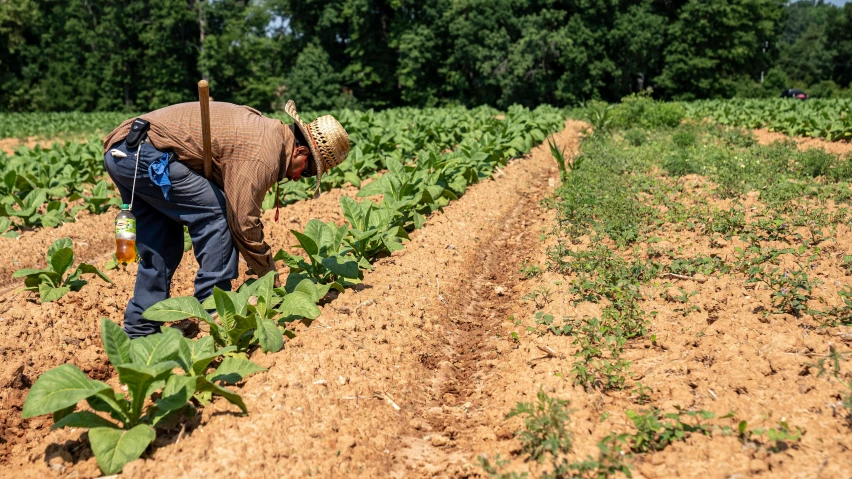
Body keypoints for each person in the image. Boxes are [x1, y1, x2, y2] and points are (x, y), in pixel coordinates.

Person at [102, 100, 349, 338]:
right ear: (300, 150)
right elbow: (243, 223)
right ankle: (213, 310)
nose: (298, 178)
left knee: (163, 243)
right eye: (307, 171)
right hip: (145, 154)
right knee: (219, 213)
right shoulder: (264, 155)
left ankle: (139, 331)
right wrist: (268, 275)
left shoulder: (269, 132)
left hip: (124, 151)